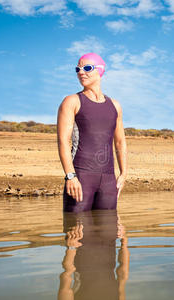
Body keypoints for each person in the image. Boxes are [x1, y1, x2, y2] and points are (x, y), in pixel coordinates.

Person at [57, 52, 127, 212]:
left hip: (109, 180)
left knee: (109, 232)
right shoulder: (72, 101)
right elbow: (63, 141)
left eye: (87, 68)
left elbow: (120, 141)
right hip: (81, 177)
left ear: (100, 70)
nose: (81, 72)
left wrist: (123, 174)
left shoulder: (114, 105)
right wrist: (70, 176)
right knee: (75, 231)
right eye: (78, 69)